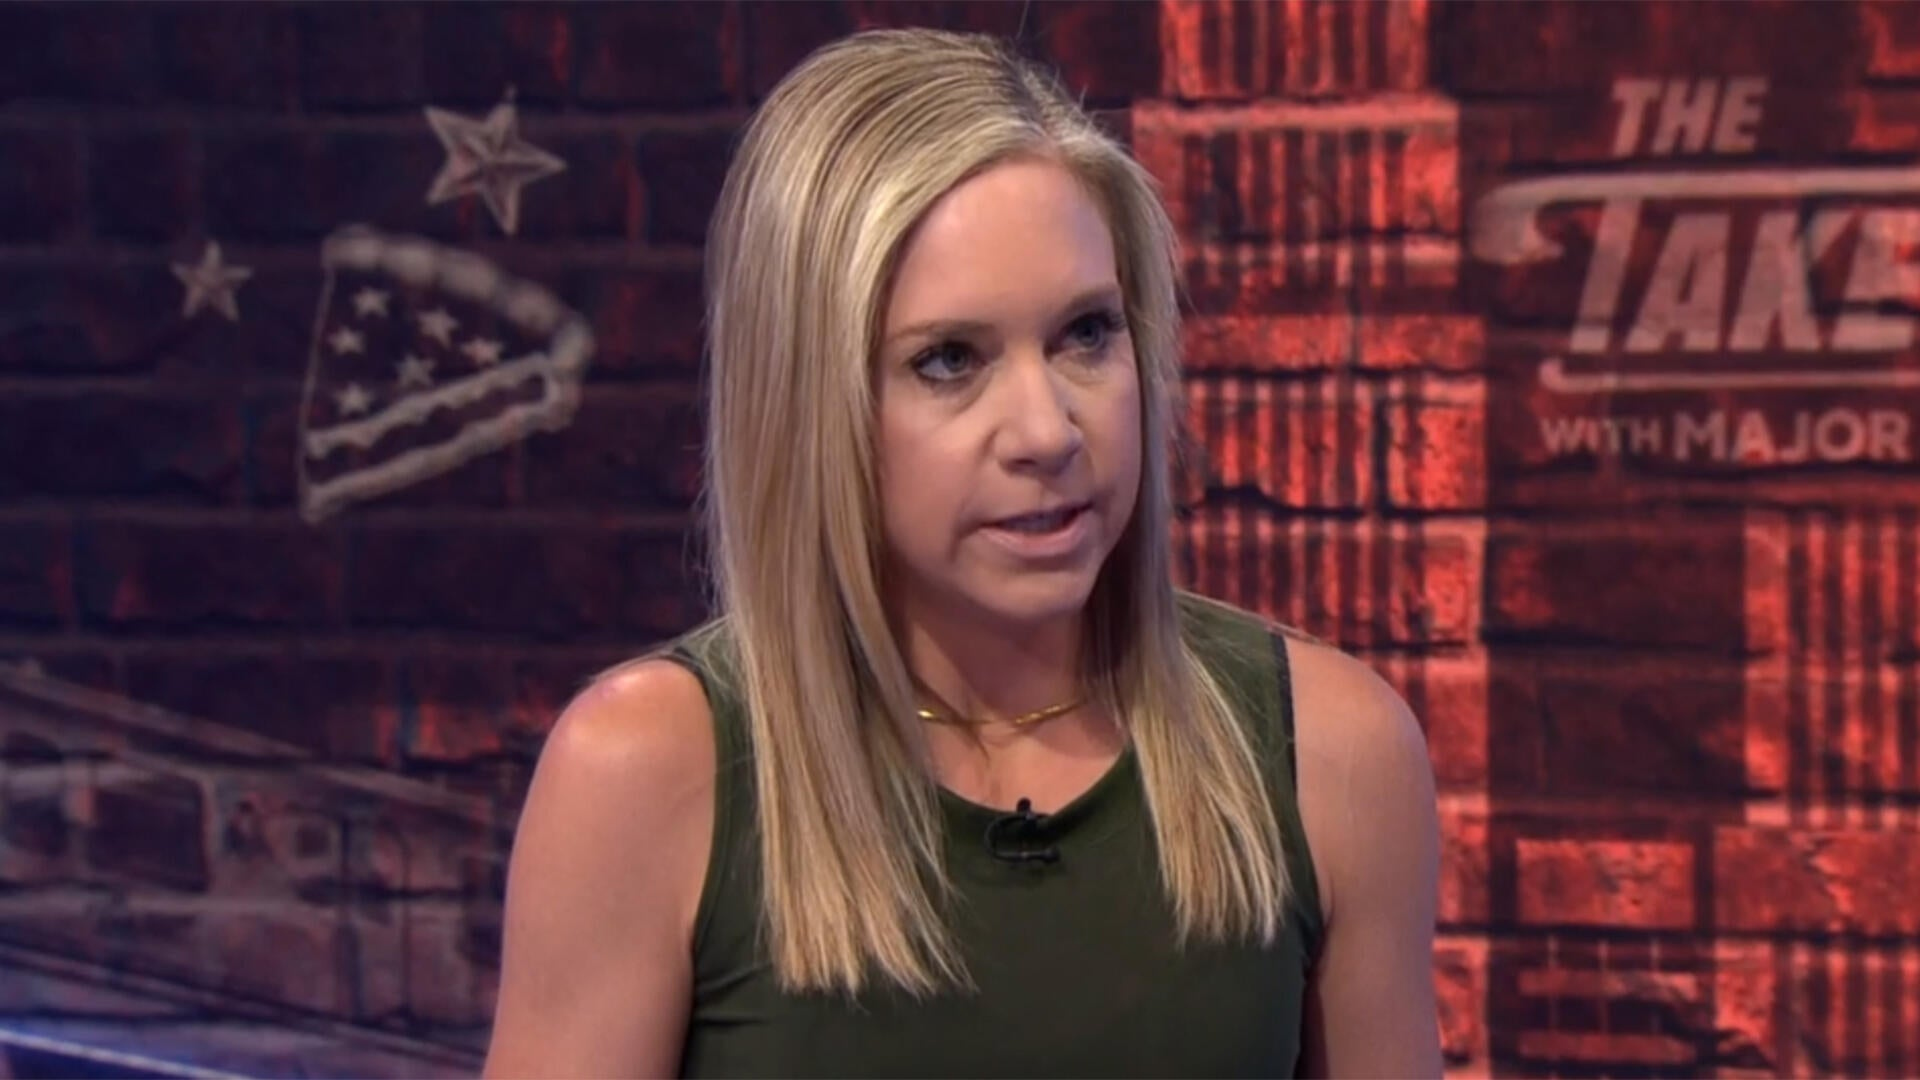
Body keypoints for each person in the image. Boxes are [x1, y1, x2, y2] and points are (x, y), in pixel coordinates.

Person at [483, 26, 1440, 1079]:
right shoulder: (646, 777)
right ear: (811, 402)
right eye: (949, 360)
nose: (1046, 431)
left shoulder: (1334, 756)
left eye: (1086, 334)